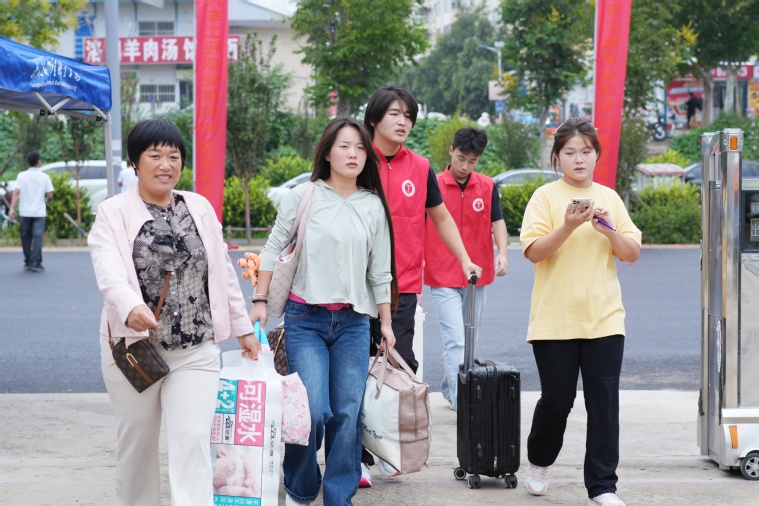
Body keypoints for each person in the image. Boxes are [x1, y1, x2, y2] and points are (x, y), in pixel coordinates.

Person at [88, 119, 260, 506]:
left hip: (196, 349)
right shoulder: (112, 212)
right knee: (137, 446)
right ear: (135, 162)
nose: (165, 164)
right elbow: (108, 270)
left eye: (174, 156)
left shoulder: (198, 207)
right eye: (155, 155)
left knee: (193, 441)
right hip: (135, 350)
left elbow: (221, 272)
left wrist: (243, 327)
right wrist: (129, 306)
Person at [249, 116, 398, 506]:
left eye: (361, 147)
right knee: (311, 410)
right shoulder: (303, 196)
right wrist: (260, 301)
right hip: (305, 320)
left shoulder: (373, 205)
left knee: (347, 413)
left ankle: (338, 496)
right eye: (344, 146)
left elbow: (380, 270)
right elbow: (272, 248)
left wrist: (385, 322)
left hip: (353, 323)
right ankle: (301, 486)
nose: (353, 154)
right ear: (327, 152)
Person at [360, 84, 481, 483]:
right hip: (354, 284)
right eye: (394, 114)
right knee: (356, 368)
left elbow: (441, 217)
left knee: (399, 366)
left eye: (409, 116)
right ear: (374, 118)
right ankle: (356, 457)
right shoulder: (356, 158)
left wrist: (464, 258)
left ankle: (387, 448)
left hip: (403, 284)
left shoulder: (421, 167)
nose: (403, 122)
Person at [519, 118, 641, 506]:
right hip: (554, 320)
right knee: (558, 400)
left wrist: (608, 230)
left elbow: (631, 253)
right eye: (570, 152)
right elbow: (533, 251)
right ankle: (539, 461)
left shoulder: (609, 197)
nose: (578, 159)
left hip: (605, 318)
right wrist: (569, 226)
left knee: (604, 403)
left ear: (596, 155)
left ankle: (603, 486)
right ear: (557, 157)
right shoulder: (544, 197)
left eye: (586, 152)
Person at [423, 127, 508, 411]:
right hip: (442, 274)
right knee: (456, 340)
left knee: (469, 339)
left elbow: (497, 221)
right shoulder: (433, 184)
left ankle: (451, 387)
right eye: (461, 158)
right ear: (451, 151)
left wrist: (503, 252)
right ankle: (464, 401)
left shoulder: (487, 185)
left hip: (476, 276)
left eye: (472, 161)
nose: (465, 166)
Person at [9, 151, 53, 272]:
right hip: (39, 212)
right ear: (39, 161)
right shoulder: (44, 176)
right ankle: (36, 261)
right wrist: (46, 200)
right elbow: (50, 195)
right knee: (38, 237)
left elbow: (16, 192)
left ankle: (28, 260)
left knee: (25, 237)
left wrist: (12, 207)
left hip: (25, 212)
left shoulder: (21, 175)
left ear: (28, 162)